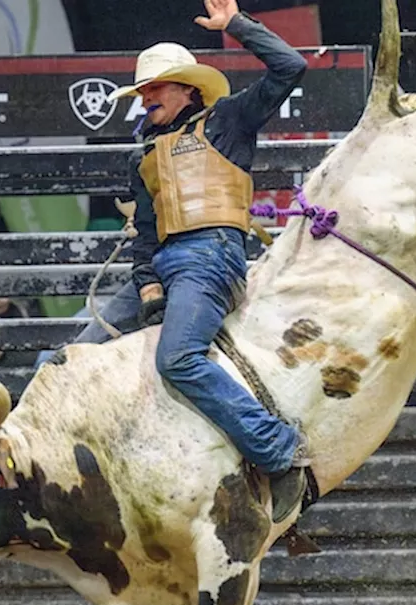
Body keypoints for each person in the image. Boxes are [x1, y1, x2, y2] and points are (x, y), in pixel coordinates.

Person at [104, 0, 310, 523]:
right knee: (68, 357)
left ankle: (280, 452)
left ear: (187, 90)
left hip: (209, 254)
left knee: (176, 359)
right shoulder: (142, 156)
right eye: (141, 91)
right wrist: (149, 290)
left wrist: (237, 26)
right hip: (170, 268)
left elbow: (291, 67)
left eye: (155, 88)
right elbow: (146, 239)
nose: (145, 98)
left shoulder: (228, 120)